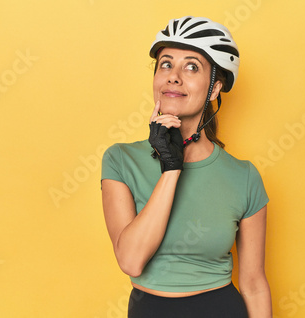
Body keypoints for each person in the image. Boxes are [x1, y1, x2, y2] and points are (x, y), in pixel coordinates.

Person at [101, 16, 272, 317]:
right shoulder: (120, 160)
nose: (174, 76)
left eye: (191, 66)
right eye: (166, 64)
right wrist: (171, 168)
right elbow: (131, 261)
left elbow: (254, 283)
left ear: (215, 88)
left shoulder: (243, 177)